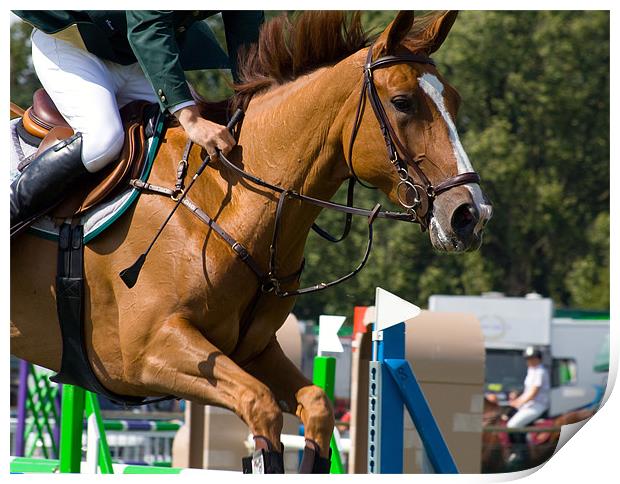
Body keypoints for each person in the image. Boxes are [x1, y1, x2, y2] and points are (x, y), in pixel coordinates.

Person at [10, 10, 263, 235]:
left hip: (137, 59)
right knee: (104, 140)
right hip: (73, 47)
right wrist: (191, 118)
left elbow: (246, 26)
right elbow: (147, 24)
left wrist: (254, 100)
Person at [506, 346, 551, 464]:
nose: (529, 361)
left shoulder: (540, 371)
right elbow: (527, 391)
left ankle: (520, 453)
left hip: (537, 406)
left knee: (512, 425)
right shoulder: (532, 371)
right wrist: (516, 398)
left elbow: (533, 392)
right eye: (528, 358)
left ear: (539, 359)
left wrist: (518, 402)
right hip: (528, 405)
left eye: (532, 358)